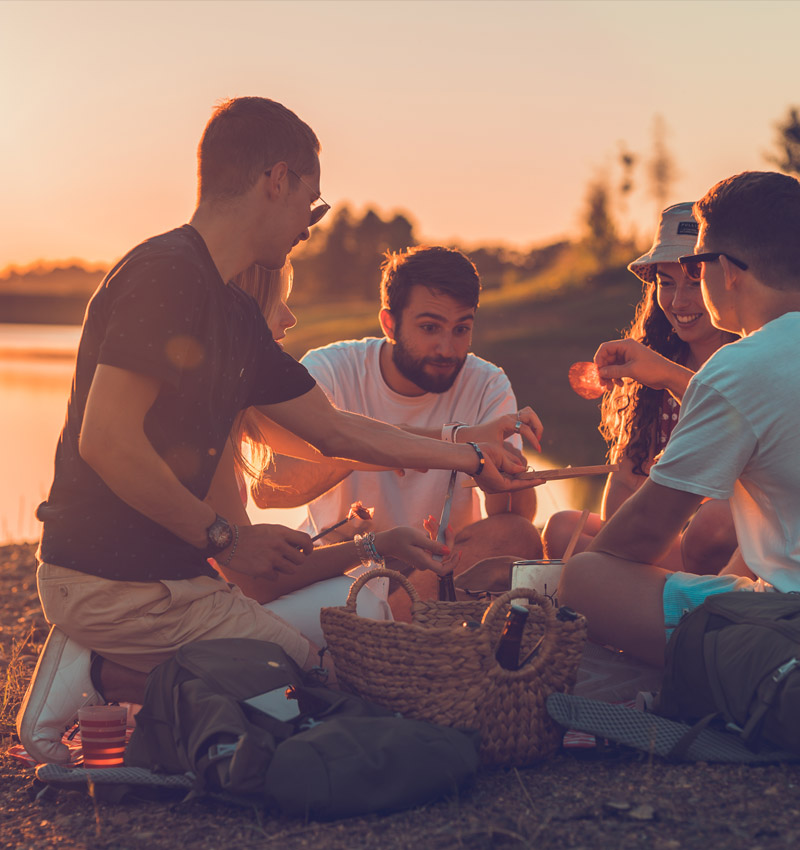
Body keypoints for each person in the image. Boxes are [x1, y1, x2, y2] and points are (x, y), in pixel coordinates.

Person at [17, 96, 539, 765]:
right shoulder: (163, 274)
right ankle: (94, 666)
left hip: (179, 588)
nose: (310, 225)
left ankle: (117, 663)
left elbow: (335, 430)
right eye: (311, 203)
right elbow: (107, 441)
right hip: (108, 583)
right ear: (277, 179)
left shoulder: (232, 312)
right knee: (306, 685)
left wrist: (468, 455)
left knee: (311, 683)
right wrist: (226, 539)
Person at [558, 171, 800, 667]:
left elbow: (634, 540)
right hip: (777, 598)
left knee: (585, 575)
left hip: (786, 628)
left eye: (695, 264)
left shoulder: (741, 367)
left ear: (728, 270)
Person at [250, 246, 544, 616]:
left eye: (462, 329)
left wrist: (506, 469)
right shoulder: (331, 369)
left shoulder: (487, 383)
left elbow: (514, 521)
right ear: (389, 323)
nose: (447, 348)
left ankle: (381, 627)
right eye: (429, 328)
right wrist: (447, 440)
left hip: (440, 563)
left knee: (519, 536)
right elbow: (268, 488)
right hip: (343, 559)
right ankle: (394, 627)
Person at [218, 261, 465, 643]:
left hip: (215, 599)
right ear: (242, 311)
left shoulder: (240, 408)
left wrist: (466, 447)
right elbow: (257, 583)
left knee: (360, 597)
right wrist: (374, 545)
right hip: (181, 614)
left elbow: (349, 439)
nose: (290, 318)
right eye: (277, 302)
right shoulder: (209, 421)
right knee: (360, 606)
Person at [543, 203, 738, 573]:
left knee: (714, 522)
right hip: (654, 540)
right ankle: (612, 570)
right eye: (666, 283)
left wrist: (667, 374)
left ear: (725, 278)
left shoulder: (743, 359)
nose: (679, 302)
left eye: (695, 281)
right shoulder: (650, 371)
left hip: (724, 543)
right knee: (561, 528)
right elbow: (618, 510)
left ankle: (605, 571)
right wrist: (629, 475)